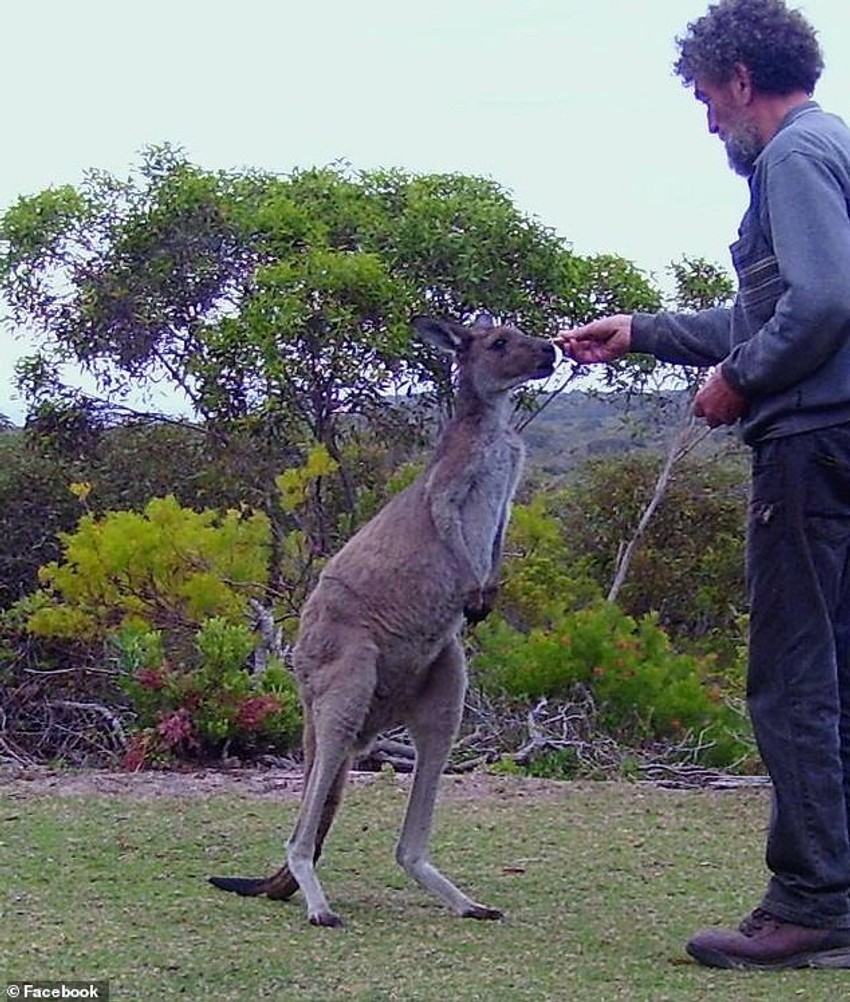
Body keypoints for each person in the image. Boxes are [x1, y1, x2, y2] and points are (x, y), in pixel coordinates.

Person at [558, 0, 850, 971]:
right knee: (836, 677)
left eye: (704, 99)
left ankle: (811, 905)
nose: (708, 122)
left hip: (809, 448)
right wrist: (643, 332)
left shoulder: (792, 157)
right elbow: (775, 307)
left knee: (792, 680)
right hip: (838, 438)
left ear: (739, 78)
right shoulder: (832, 147)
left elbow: (821, 305)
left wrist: (738, 380)